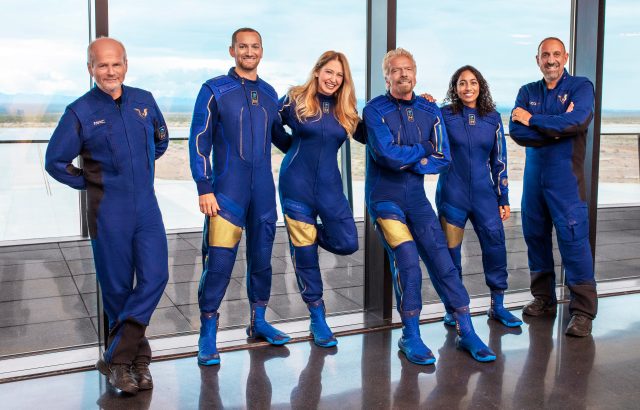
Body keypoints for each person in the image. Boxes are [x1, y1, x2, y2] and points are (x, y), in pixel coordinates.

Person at [45, 37, 169, 394]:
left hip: (146, 206)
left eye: (116, 64)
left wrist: (140, 170)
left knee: (155, 276)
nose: (110, 71)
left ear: (126, 64)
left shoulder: (144, 101)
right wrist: (91, 181)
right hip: (107, 210)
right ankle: (135, 363)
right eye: (102, 65)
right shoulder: (79, 112)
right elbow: (55, 161)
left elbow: (160, 141)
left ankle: (114, 357)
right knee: (116, 289)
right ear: (90, 69)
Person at [361, 48, 495, 364]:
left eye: (408, 68)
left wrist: (411, 159)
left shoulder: (429, 110)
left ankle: (467, 330)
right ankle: (410, 335)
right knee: (407, 260)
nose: (403, 73)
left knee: (443, 261)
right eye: (396, 69)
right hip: (384, 201)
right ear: (387, 76)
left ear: (415, 72)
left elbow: (443, 157)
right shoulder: (374, 110)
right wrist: (422, 150)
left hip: (417, 201)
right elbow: (386, 155)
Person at [189, 28, 291, 366]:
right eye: (243, 46)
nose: (249, 51)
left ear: (262, 50)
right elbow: (199, 140)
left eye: (255, 46)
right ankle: (207, 332)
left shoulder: (270, 92)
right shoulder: (215, 89)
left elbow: (282, 138)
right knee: (218, 264)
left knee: (262, 260)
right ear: (232, 50)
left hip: (263, 192)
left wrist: (317, 132)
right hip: (226, 194)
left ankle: (259, 321)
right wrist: (204, 187)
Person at [509, 37, 597, 337]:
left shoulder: (581, 87)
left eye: (556, 54)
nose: (551, 60)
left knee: (573, 240)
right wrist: (558, 127)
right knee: (535, 236)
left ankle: (583, 312)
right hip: (534, 180)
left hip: (566, 181)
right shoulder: (527, 90)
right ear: (537, 60)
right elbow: (517, 132)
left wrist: (533, 119)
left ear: (566, 57)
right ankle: (544, 299)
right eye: (545, 55)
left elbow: (578, 121)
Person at [276, 51, 362, 347]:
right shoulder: (294, 99)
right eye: (329, 72)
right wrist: (293, 150)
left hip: (330, 189)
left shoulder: (345, 108)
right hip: (295, 185)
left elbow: (371, 132)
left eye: (339, 75)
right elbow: (275, 130)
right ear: (317, 71)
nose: (333, 79)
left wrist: (424, 102)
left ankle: (307, 237)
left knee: (348, 241)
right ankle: (317, 317)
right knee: (305, 256)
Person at [436, 65, 522, 328]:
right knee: (451, 255)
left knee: (495, 248)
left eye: (473, 82)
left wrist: (503, 196)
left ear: (480, 86)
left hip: (485, 196)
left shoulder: (493, 118)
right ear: (455, 88)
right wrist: (425, 100)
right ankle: (454, 308)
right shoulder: (444, 115)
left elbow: (500, 160)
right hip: (452, 194)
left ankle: (497, 305)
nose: (468, 87)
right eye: (462, 83)